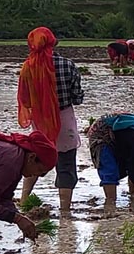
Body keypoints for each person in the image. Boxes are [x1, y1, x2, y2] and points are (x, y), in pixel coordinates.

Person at [18, 27, 84, 214]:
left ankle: (23, 202)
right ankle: (65, 210)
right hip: (64, 120)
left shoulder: (27, 68)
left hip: (40, 123)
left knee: (36, 161)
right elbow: (77, 97)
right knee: (66, 164)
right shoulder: (67, 65)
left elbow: (25, 100)